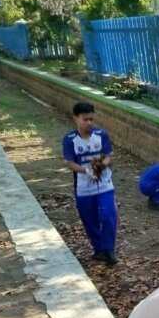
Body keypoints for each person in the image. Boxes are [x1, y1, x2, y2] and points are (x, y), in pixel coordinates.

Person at [62, 102, 119, 265]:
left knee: (108, 215)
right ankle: (99, 249)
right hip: (83, 187)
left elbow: (108, 155)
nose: (89, 123)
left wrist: (102, 164)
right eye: (85, 120)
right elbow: (70, 162)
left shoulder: (101, 135)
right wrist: (86, 171)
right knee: (89, 219)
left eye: (91, 119)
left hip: (104, 184)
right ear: (76, 118)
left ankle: (109, 250)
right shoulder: (70, 140)